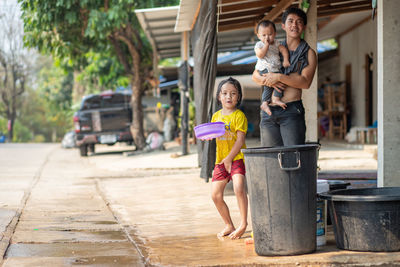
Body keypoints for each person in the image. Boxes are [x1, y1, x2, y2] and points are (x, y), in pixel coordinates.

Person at [252, 7, 317, 147]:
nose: (294, 25)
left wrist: (279, 77)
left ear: (304, 27)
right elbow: (255, 76)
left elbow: (305, 82)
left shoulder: (309, 53)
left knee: (293, 158)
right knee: (271, 162)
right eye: (290, 21)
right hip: (268, 110)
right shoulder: (272, 47)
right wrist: (268, 80)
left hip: (291, 110)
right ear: (283, 26)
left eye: (299, 22)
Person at [200, 77, 248, 239]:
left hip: (236, 159)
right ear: (219, 97)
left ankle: (243, 224)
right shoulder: (216, 116)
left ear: (239, 97)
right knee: (215, 195)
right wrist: (207, 137)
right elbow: (213, 134)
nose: (229, 97)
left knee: (239, 187)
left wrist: (229, 159)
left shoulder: (239, 116)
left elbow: (240, 141)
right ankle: (229, 224)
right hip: (220, 161)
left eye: (233, 93)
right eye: (225, 93)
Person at [254, 19, 290, 116]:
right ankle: (268, 101)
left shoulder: (277, 43)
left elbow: (284, 50)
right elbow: (260, 55)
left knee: (279, 82)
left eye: (270, 34)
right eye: (264, 35)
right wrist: (266, 45)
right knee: (269, 87)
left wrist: (286, 60)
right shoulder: (259, 44)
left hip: (275, 70)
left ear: (275, 33)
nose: (267, 37)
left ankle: (270, 101)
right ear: (258, 36)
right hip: (264, 69)